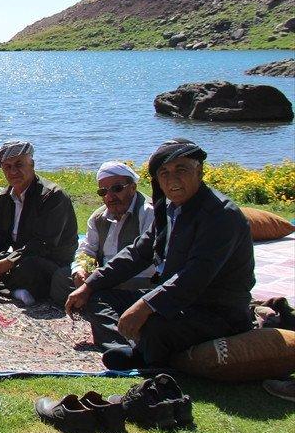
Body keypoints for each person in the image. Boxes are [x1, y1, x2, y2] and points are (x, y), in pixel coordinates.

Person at [66, 139, 256, 371]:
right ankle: (127, 346)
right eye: (164, 173)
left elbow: (194, 277)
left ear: (200, 171)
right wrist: (90, 285)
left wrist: (145, 305)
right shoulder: (170, 208)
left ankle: (142, 353)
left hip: (214, 308)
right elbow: (138, 252)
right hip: (176, 299)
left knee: (154, 324)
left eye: (181, 169)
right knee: (96, 297)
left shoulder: (221, 215)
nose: (172, 180)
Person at [0, 140, 77, 307]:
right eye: (7, 167)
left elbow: (42, 244)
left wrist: (0, 266)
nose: (13, 171)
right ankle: (14, 291)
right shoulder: (6, 196)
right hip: (16, 259)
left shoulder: (52, 196)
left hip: (47, 261)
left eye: (19, 164)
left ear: (32, 164)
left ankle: (10, 285)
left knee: (28, 268)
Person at [49, 161, 155, 304]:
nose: (109, 197)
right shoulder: (98, 217)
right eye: (103, 192)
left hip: (137, 278)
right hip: (103, 277)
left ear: (133, 188)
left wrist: (99, 282)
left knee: (118, 292)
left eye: (116, 189)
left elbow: (145, 261)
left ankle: (98, 301)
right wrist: (82, 269)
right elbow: (87, 250)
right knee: (62, 277)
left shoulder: (149, 213)